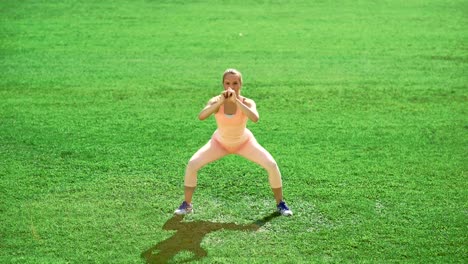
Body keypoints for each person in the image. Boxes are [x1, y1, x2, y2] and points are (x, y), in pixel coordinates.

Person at [174, 69, 292, 216]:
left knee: (272, 165)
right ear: (223, 84)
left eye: (235, 83)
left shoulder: (247, 102)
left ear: (240, 84)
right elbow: (202, 116)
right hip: (219, 143)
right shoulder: (216, 101)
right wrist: (221, 102)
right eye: (228, 83)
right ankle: (187, 204)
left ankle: (280, 204)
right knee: (192, 164)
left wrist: (236, 101)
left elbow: (255, 118)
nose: (231, 86)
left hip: (244, 143)